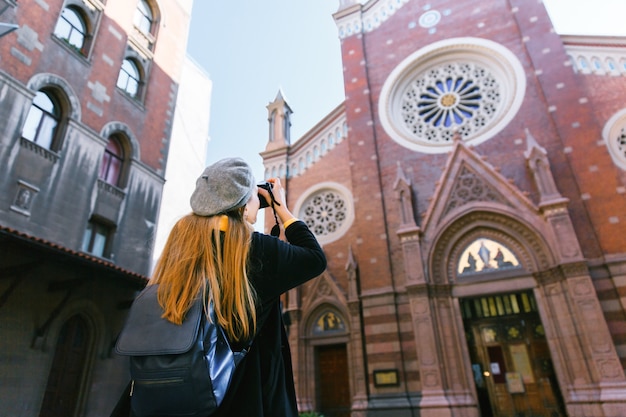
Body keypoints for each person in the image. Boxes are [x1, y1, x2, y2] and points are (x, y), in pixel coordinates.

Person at [150, 157, 326, 416]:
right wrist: (283, 209)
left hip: (170, 393)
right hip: (240, 398)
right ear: (243, 205)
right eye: (253, 196)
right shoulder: (256, 251)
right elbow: (314, 259)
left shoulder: (181, 244)